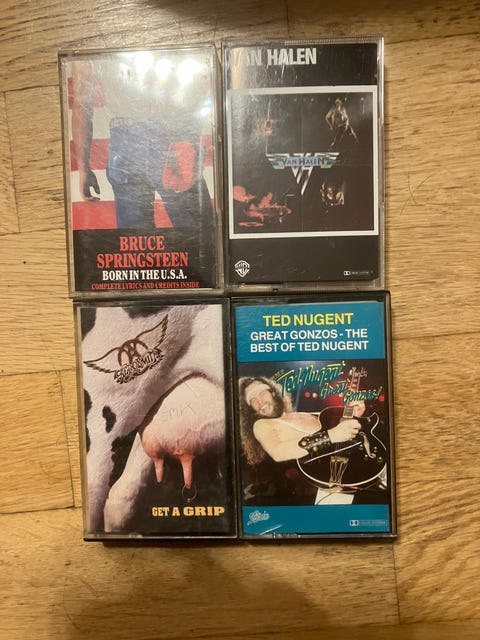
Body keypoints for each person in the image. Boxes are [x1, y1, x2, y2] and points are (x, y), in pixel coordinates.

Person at [70, 52, 214, 229]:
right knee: (200, 237)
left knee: (135, 242)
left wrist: (83, 168)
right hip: (171, 135)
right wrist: (191, 139)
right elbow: (202, 86)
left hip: (124, 145)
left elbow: (81, 105)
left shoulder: (84, 47)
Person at [239, 376, 364, 466]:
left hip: (350, 468)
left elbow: (340, 438)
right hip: (322, 485)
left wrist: (354, 415)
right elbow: (278, 452)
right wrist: (331, 435)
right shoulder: (261, 425)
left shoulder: (305, 414)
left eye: (261, 393)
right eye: (253, 400)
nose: (260, 402)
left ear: (273, 393)